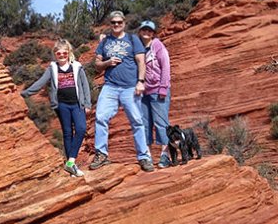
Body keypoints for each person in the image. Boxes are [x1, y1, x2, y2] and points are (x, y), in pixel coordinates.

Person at [90, 11, 154, 172]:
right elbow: (97, 64)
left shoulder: (133, 39)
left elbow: (141, 61)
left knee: (137, 121)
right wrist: (107, 62)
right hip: (110, 86)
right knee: (101, 118)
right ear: (110, 24)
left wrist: (140, 82)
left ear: (124, 23)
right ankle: (102, 154)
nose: (116, 25)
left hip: (130, 87)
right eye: (113, 22)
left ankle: (144, 157)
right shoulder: (105, 42)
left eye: (119, 22)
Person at [21, 39, 92, 177]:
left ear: (69, 53)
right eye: (59, 53)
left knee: (81, 128)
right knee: (67, 133)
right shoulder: (52, 68)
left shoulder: (77, 66)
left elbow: (85, 86)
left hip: (77, 104)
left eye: (64, 53)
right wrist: (24, 93)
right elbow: (40, 82)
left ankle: (70, 162)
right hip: (62, 105)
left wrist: (87, 104)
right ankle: (72, 165)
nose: (62, 56)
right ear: (55, 54)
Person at [138, 20, 172, 169]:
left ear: (153, 33)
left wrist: (163, 88)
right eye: (144, 30)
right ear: (140, 31)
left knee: (161, 124)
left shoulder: (157, 45)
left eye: (149, 30)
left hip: (158, 90)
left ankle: (165, 156)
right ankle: (148, 157)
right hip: (143, 92)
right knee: (145, 125)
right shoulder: (138, 48)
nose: (147, 32)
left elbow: (166, 66)